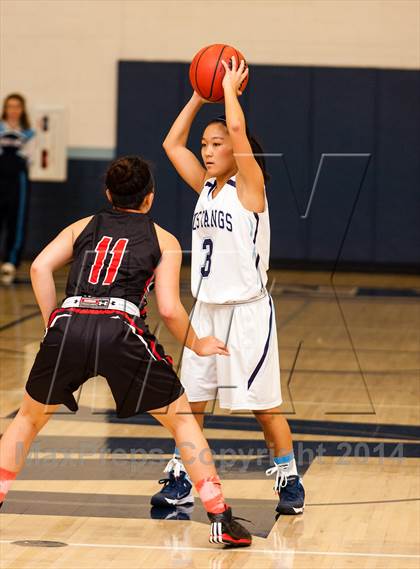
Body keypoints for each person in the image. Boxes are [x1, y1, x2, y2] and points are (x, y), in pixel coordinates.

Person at [0, 156, 252, 547]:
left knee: (27, 422)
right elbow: (168, 308)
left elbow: (39, 268)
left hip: (69, 323)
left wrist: (54, 321)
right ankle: (220, 516)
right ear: (149, 198)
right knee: (183, 421)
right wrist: (197, 342)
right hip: (121, 328)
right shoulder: (163, 239)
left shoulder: (83, 225)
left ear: (107, 194)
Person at [152, 56, 305, 515]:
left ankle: (289, 481)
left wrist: (230, 91)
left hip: (247, 313)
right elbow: (171, 143)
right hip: (206, 311)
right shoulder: (207, 187)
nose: (207, 149)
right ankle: (181, 477)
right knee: (190, 406)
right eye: (206, 143)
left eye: (216, 143)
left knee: (264, 408)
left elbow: (238, 135)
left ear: (236, 151)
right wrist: (201, 95)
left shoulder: (250, 187)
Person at [0, 93, 36, 285]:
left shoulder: (29, 133)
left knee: (17, 220)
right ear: (5, 109)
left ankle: (11, 261)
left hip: (18, 180)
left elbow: (30, 158)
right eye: (9, 106)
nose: (13, 110)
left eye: (17, 106)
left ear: (22, 110)